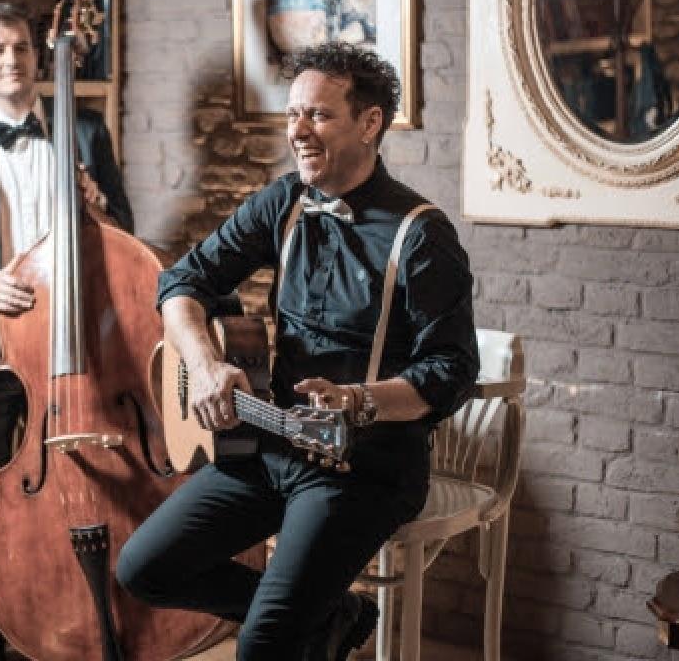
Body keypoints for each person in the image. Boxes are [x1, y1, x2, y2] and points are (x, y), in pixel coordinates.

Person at [115, 42, 480, 661]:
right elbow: (181, 282)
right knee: (144, 569)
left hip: (364, 467)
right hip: (268, 444)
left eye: (319, 115)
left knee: (260, 648)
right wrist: (205, 366)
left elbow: (452, 372)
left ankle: (291, 626)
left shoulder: (421, 235)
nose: (298, 131)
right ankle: (332, 617)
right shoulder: (282, 203)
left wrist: (358, 400)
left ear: (370, 123)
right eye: (292, 114)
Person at [0, 2, 132, 661]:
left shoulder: (85, 130)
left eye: (22, 48)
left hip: (72, 347)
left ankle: (75, 619)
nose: (12, 60)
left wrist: (100, 208)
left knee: (84, 488)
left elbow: (123, 230)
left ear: (40, 58)